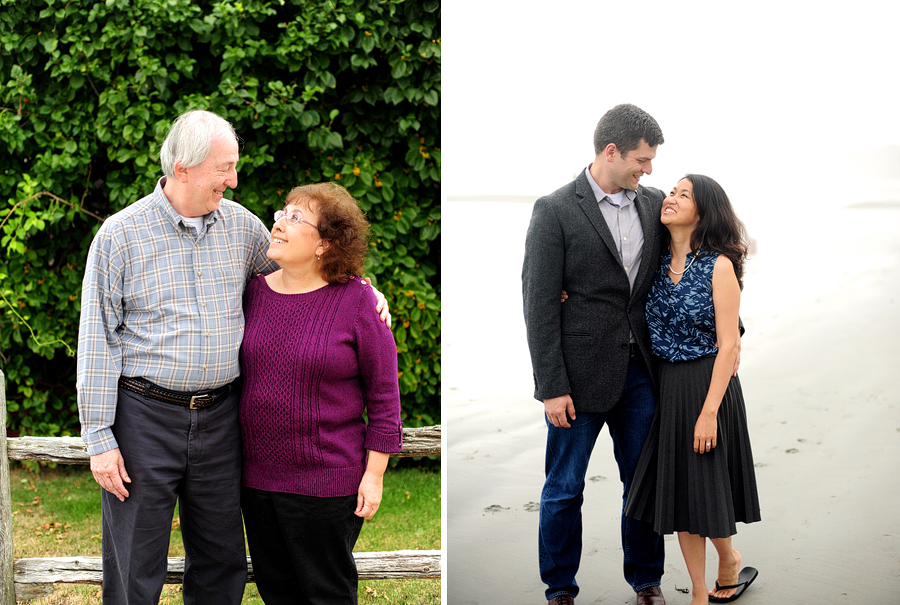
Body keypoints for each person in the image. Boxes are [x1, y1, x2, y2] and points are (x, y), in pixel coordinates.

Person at [76, 110, 389, 604]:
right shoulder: (120, 236)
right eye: (224, 167)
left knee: (222, 559)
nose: (234, 179)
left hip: (222, 419)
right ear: (184, 168)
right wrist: (98, 436)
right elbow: (97, 338)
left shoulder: (242, 227)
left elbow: (309, 270)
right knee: (135, 560)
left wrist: (363, 292)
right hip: (144, 417)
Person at [522, 103, 669, 605]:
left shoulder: (654, 205)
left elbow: (686, 268)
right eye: (641, 160)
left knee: (643, 483)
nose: (648, 170)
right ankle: (560, 588)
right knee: (564, 488)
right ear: (612, 151)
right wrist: (551, 387)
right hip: (576, 379)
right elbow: (538, 302)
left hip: (642, 375)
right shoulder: (555, 209)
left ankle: (647, 581)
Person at [238, 182, 403, 604]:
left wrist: (375, 475)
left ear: (324, 244)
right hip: (257, 482)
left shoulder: (359, 302)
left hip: (327, 485)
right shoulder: (252, 293)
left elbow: (384, 399)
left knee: (326, 595)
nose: (278, 224)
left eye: (297, 218)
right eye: (282, 213)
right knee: (277, 593)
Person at [624, 174, 761, 605]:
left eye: (684, 195)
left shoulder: (718, 265)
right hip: (667, 386)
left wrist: (708, 412)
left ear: (701, 212)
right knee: (683, 494)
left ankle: (729, 559)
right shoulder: (654, 260)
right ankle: (700, 593)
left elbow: (729, 345)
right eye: (671, 191)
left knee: (708, 488)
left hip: (710, 386)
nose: (671, 198)